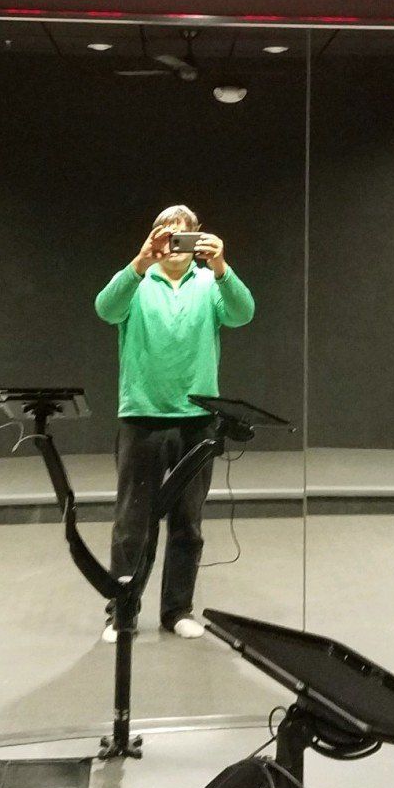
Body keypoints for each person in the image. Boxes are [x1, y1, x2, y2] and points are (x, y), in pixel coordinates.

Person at [93, 204, 255, 642]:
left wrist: (222, 266)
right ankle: (122, 614)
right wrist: (138, 262)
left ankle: (177, 610)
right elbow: (105, 310)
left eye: (185, 235)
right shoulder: (136, 281)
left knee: (188, 521)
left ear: (198, 239)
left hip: (198, 422)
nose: (175, 242)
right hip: (142, 417)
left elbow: (243, 313)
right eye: (167, 233)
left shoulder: (210, 283)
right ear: (154, 237)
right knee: (132, 522)